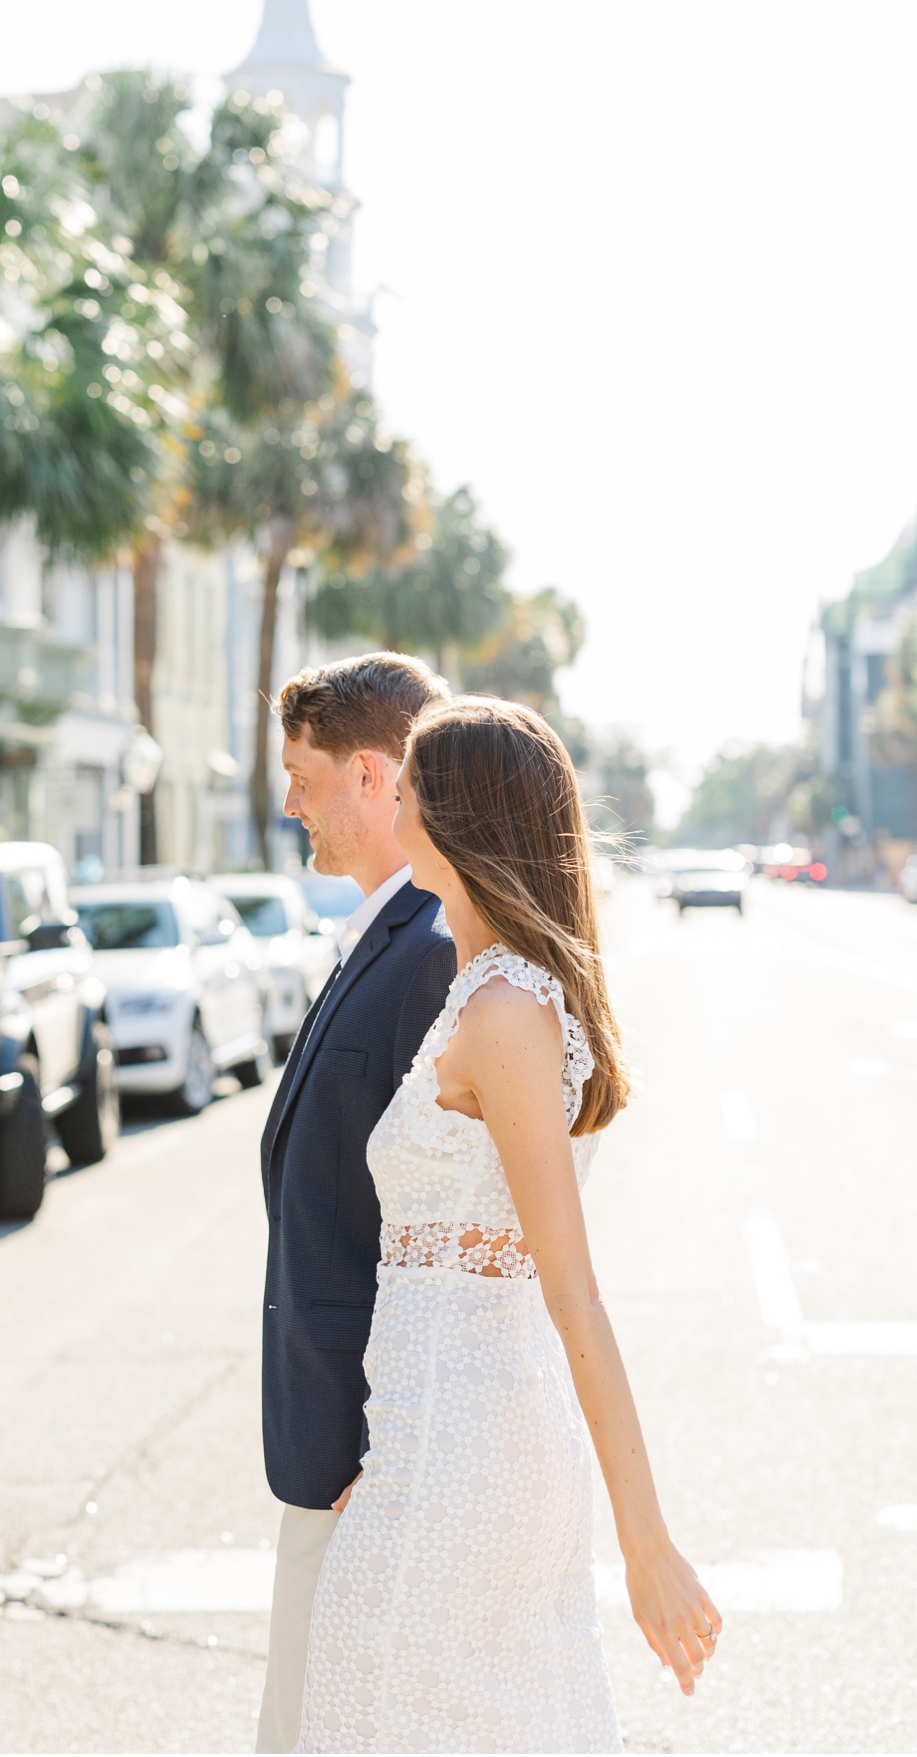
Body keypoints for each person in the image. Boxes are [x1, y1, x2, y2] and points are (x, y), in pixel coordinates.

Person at [296, 697, 722, 1755]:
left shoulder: (503, 1012)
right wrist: (393, 1453)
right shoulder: (481, 990)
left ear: (456, 818)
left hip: (466, 1455)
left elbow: (568, 1287)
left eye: (412, 784)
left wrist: (646, 1541)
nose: (391, 797)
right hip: (435, 1442)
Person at [255, 653, 458, 1756]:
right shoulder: (383, 931)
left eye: (302, 774)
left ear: (374, 777)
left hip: (359, 1449)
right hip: (332, 1439)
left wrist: (381, 1440)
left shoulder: (427, 952)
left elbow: (420, 1226)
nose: (287, 802)